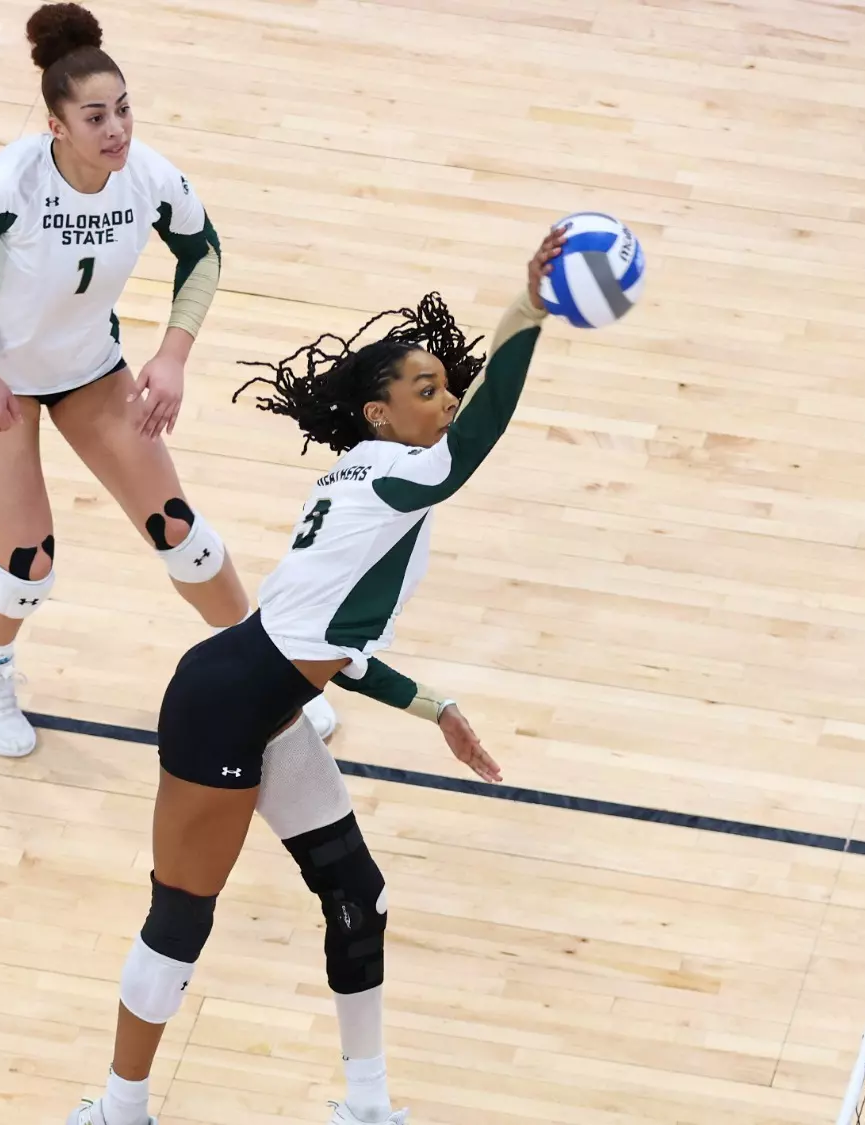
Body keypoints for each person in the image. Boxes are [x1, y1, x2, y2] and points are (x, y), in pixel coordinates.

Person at [63, 228, 565, 1125]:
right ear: (380, 414)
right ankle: (117, 1109)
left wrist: (434, 705)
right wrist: (526, 311)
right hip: (220, 711)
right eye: (427, 389)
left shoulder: (375, 483)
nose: (447, 401)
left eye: (447, 387)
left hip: (271, 701)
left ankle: (365, 1108)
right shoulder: (392, 482)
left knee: (357, 898)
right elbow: (476, 444)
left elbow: (333, 648)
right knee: (180, 923)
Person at [0, 1, 334, 758]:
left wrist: (171, 356)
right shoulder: (7, 182)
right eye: (96, 117)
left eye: (125, 110)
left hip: (88, 371)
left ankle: (266, 677)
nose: (118, 131)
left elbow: (203, 253)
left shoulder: (150, 178)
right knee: (26, 564)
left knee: (183, 534)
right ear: (57, 126)